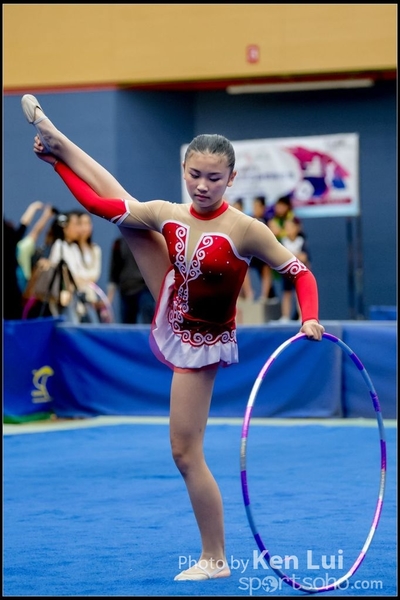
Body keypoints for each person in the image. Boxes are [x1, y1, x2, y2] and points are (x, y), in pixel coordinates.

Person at [21, 93, 325, 581]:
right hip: (172, 291)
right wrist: (57, 165)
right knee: (128, 215)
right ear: (183, 169)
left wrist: (309, 317)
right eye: (194, 175)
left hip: (201, 338)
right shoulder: (170, 212)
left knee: (185, 453)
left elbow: (300, 273)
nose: (202, 186)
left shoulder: (247, 230)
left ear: (232, 178)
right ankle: (60, 141)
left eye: (214, 178)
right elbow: (98, 204)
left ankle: (215, 559)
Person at [4, 200, 48, 320]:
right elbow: (25, 227)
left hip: (12, 289)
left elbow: (26, 228)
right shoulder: (12, 238)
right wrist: (33, 209)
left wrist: (34, 209)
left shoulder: (11, 239)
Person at [108, 235, 155, 324]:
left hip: (145, 290)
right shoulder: (118, 243)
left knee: (148, 324)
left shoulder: (149, 241)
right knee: (127, 325)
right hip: (125, 291)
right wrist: (109, 300)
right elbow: (114, 273)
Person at [279, 216, 311, 322]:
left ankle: (301, 316)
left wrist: (290, 255)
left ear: (297, 228)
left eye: (290, 227)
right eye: (286, 227)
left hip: (299, 273)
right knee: (286, 293)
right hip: (286, 272)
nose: (288, 229)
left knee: (299, 294)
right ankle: (285, 316)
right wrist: (295, 256)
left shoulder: (301, 241)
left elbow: (304, 257)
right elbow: (280, 257)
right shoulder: (283, 241)